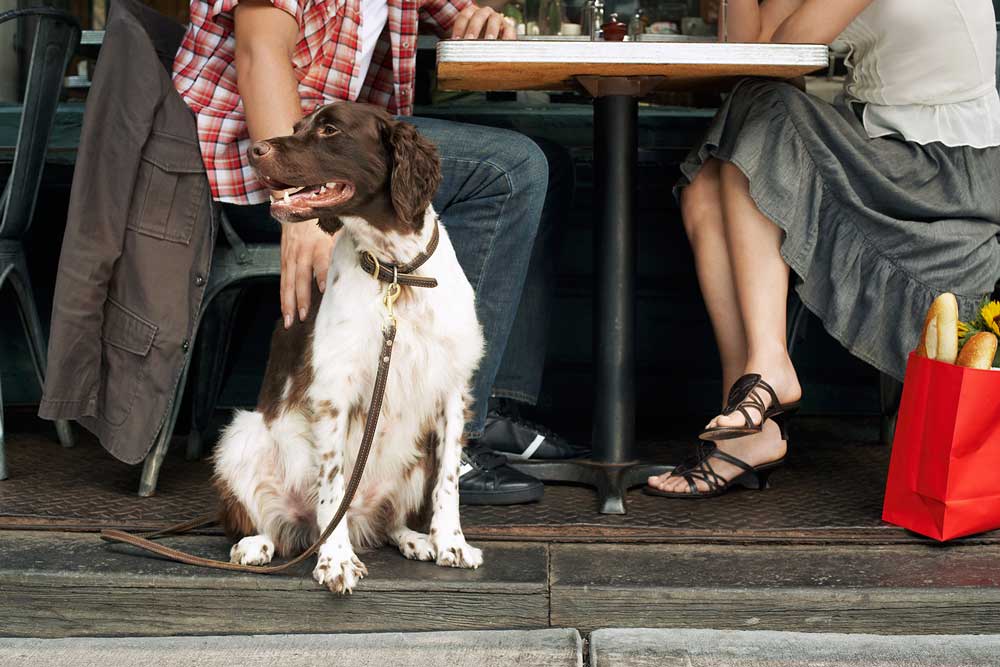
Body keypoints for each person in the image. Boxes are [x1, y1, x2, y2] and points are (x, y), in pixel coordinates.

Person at [172, 0, 579, 505]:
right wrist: (297, 201)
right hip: (255, 159)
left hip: (342, 159)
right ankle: (447, 445)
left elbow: (452, 13)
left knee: (548, 163)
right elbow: (258, 53)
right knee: (512, 169)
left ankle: (485, 407)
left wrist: (484, 21)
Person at [647, 0, 1000, 498]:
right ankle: (750, 418)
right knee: (707, 183)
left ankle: (769, 369)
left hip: (943, 166)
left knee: (764, 109)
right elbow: (754, 52)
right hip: (886, 142)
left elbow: (785, 56)